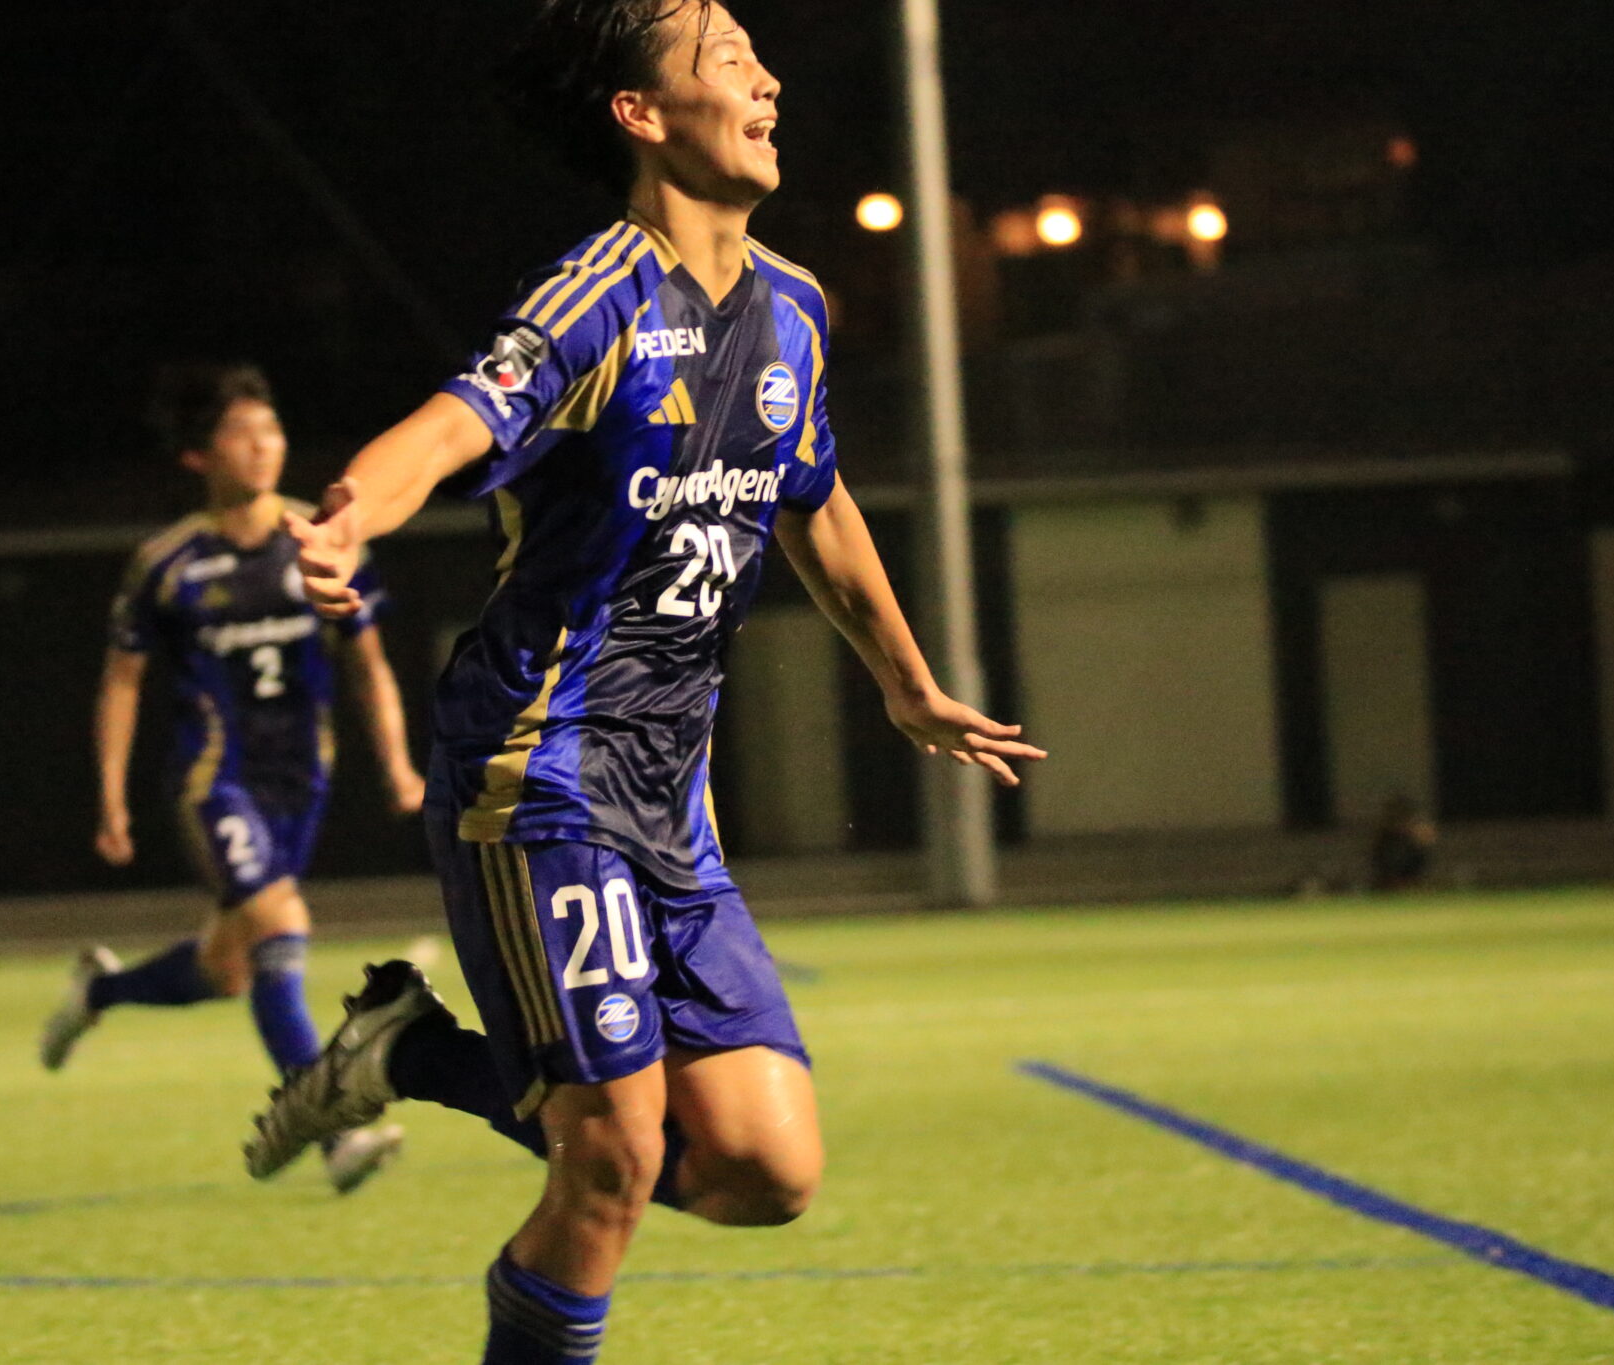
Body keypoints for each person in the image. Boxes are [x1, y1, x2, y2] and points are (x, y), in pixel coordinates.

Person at [240, 4, 1046, 1359]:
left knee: (764, 1173)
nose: (766, 80)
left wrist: (906, 682)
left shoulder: (793, 309)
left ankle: (406, 1051)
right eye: (727, 60)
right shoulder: (597, 295)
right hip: (537, 767)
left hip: (672, 798)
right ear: (642, 114)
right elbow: (452, 422)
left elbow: (814, 500)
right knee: (611, 1156)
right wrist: (347, 517)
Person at [39, 361, 426, 1196]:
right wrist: (110, 793)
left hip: (301, 781)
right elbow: (122, 680)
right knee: (283, 927)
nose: (264, 445)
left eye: (271, 429)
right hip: (215, 778)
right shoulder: (168, 563)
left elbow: (368, 664)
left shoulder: (321, 540)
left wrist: (398, 763)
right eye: (241, 433)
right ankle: (334, 1133)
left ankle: (100, 988)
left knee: (228, 969)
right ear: (199, 456)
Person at [1369, 794, 1436, 891]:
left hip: (1411, 881)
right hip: (1390, 882)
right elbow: (1382, 863)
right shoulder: (1386, 837)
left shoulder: (1415, 836)